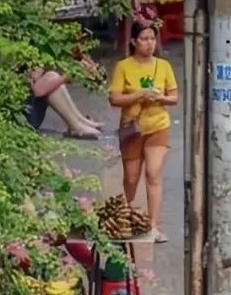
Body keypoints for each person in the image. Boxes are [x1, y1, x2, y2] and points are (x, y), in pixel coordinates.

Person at [108, 22, 179, 243]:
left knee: (153, 174)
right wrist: (139, 95)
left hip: (158, 124)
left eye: (152, 39)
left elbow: (174, 97)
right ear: (134, 42)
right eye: (144, 39)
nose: (149, 44)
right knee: (131, 177)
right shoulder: (123, 67)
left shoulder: (163, 66)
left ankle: (153, 226)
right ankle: (124, 219)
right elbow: (114, 98)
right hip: (132, 127)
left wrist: (159, 98)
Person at [24, 64, 104, 139]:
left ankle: (79, 120)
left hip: (30, 109)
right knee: (53, 84)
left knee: (52, 76)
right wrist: (65, 78)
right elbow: (38, 91)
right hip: (26, 118)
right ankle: (76, 126)